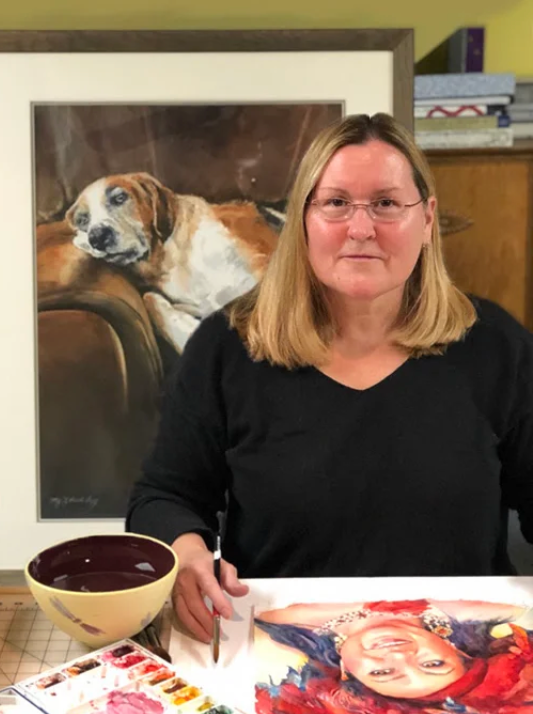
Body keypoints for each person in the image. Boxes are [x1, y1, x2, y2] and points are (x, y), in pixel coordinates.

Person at [125, 112, 533, 645]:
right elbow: (163, 494)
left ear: (427, 219)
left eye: (386, 203)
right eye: (336, 203)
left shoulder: (495, 345)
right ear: (303, 220)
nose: (360, 228)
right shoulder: (227, 347)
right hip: (279, 646)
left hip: (457, 649)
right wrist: (185, 553)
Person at [253, 598, 533, 714]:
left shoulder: (278, 627)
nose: (399, 657)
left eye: (382, 673)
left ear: (348, 672)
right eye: (432, 664)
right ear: (455, 649)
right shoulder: (489, 606)